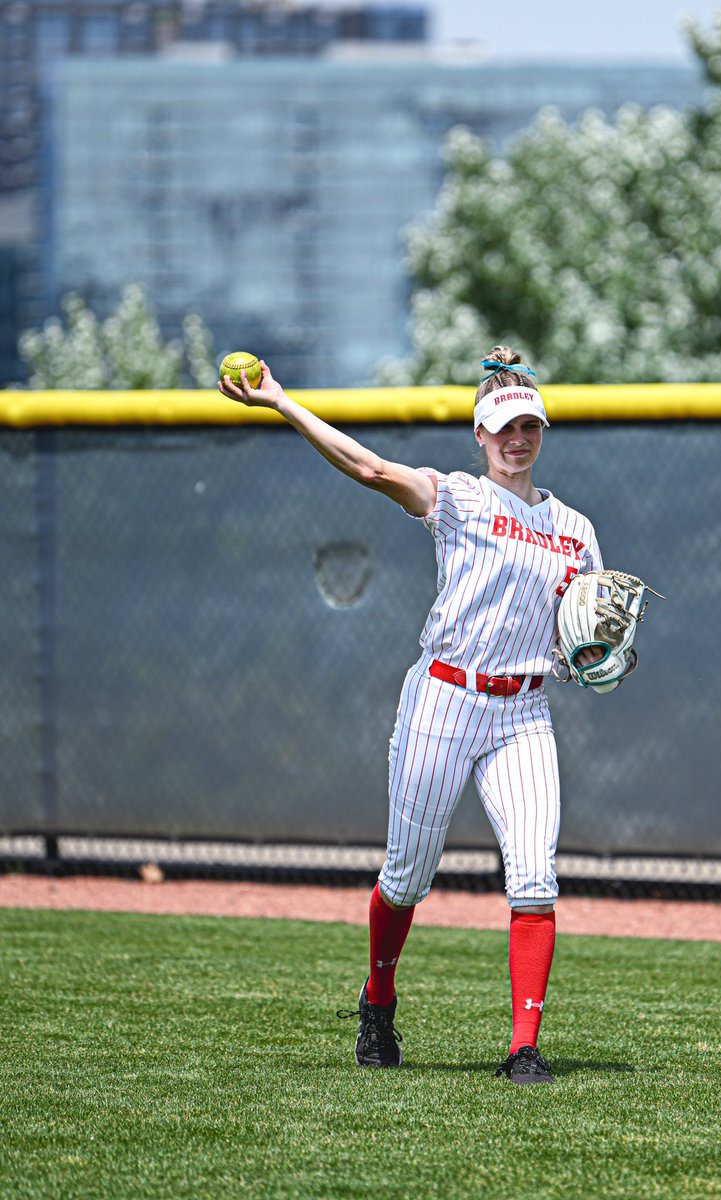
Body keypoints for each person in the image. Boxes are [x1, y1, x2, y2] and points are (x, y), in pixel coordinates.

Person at [218, 346, 605, 1085]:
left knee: (534, 881)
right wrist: (283, 402)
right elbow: (369, 468)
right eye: (503, 427)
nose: (517, 437)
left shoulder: (577, 531)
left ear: (542, 429)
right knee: (406, 877)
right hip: (444, 697)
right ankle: (379, 999)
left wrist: (589, 653)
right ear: (480, 436)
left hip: (522, 711)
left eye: (529, 424)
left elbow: (574, 633)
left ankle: (524, 1046)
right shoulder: (458, 496)